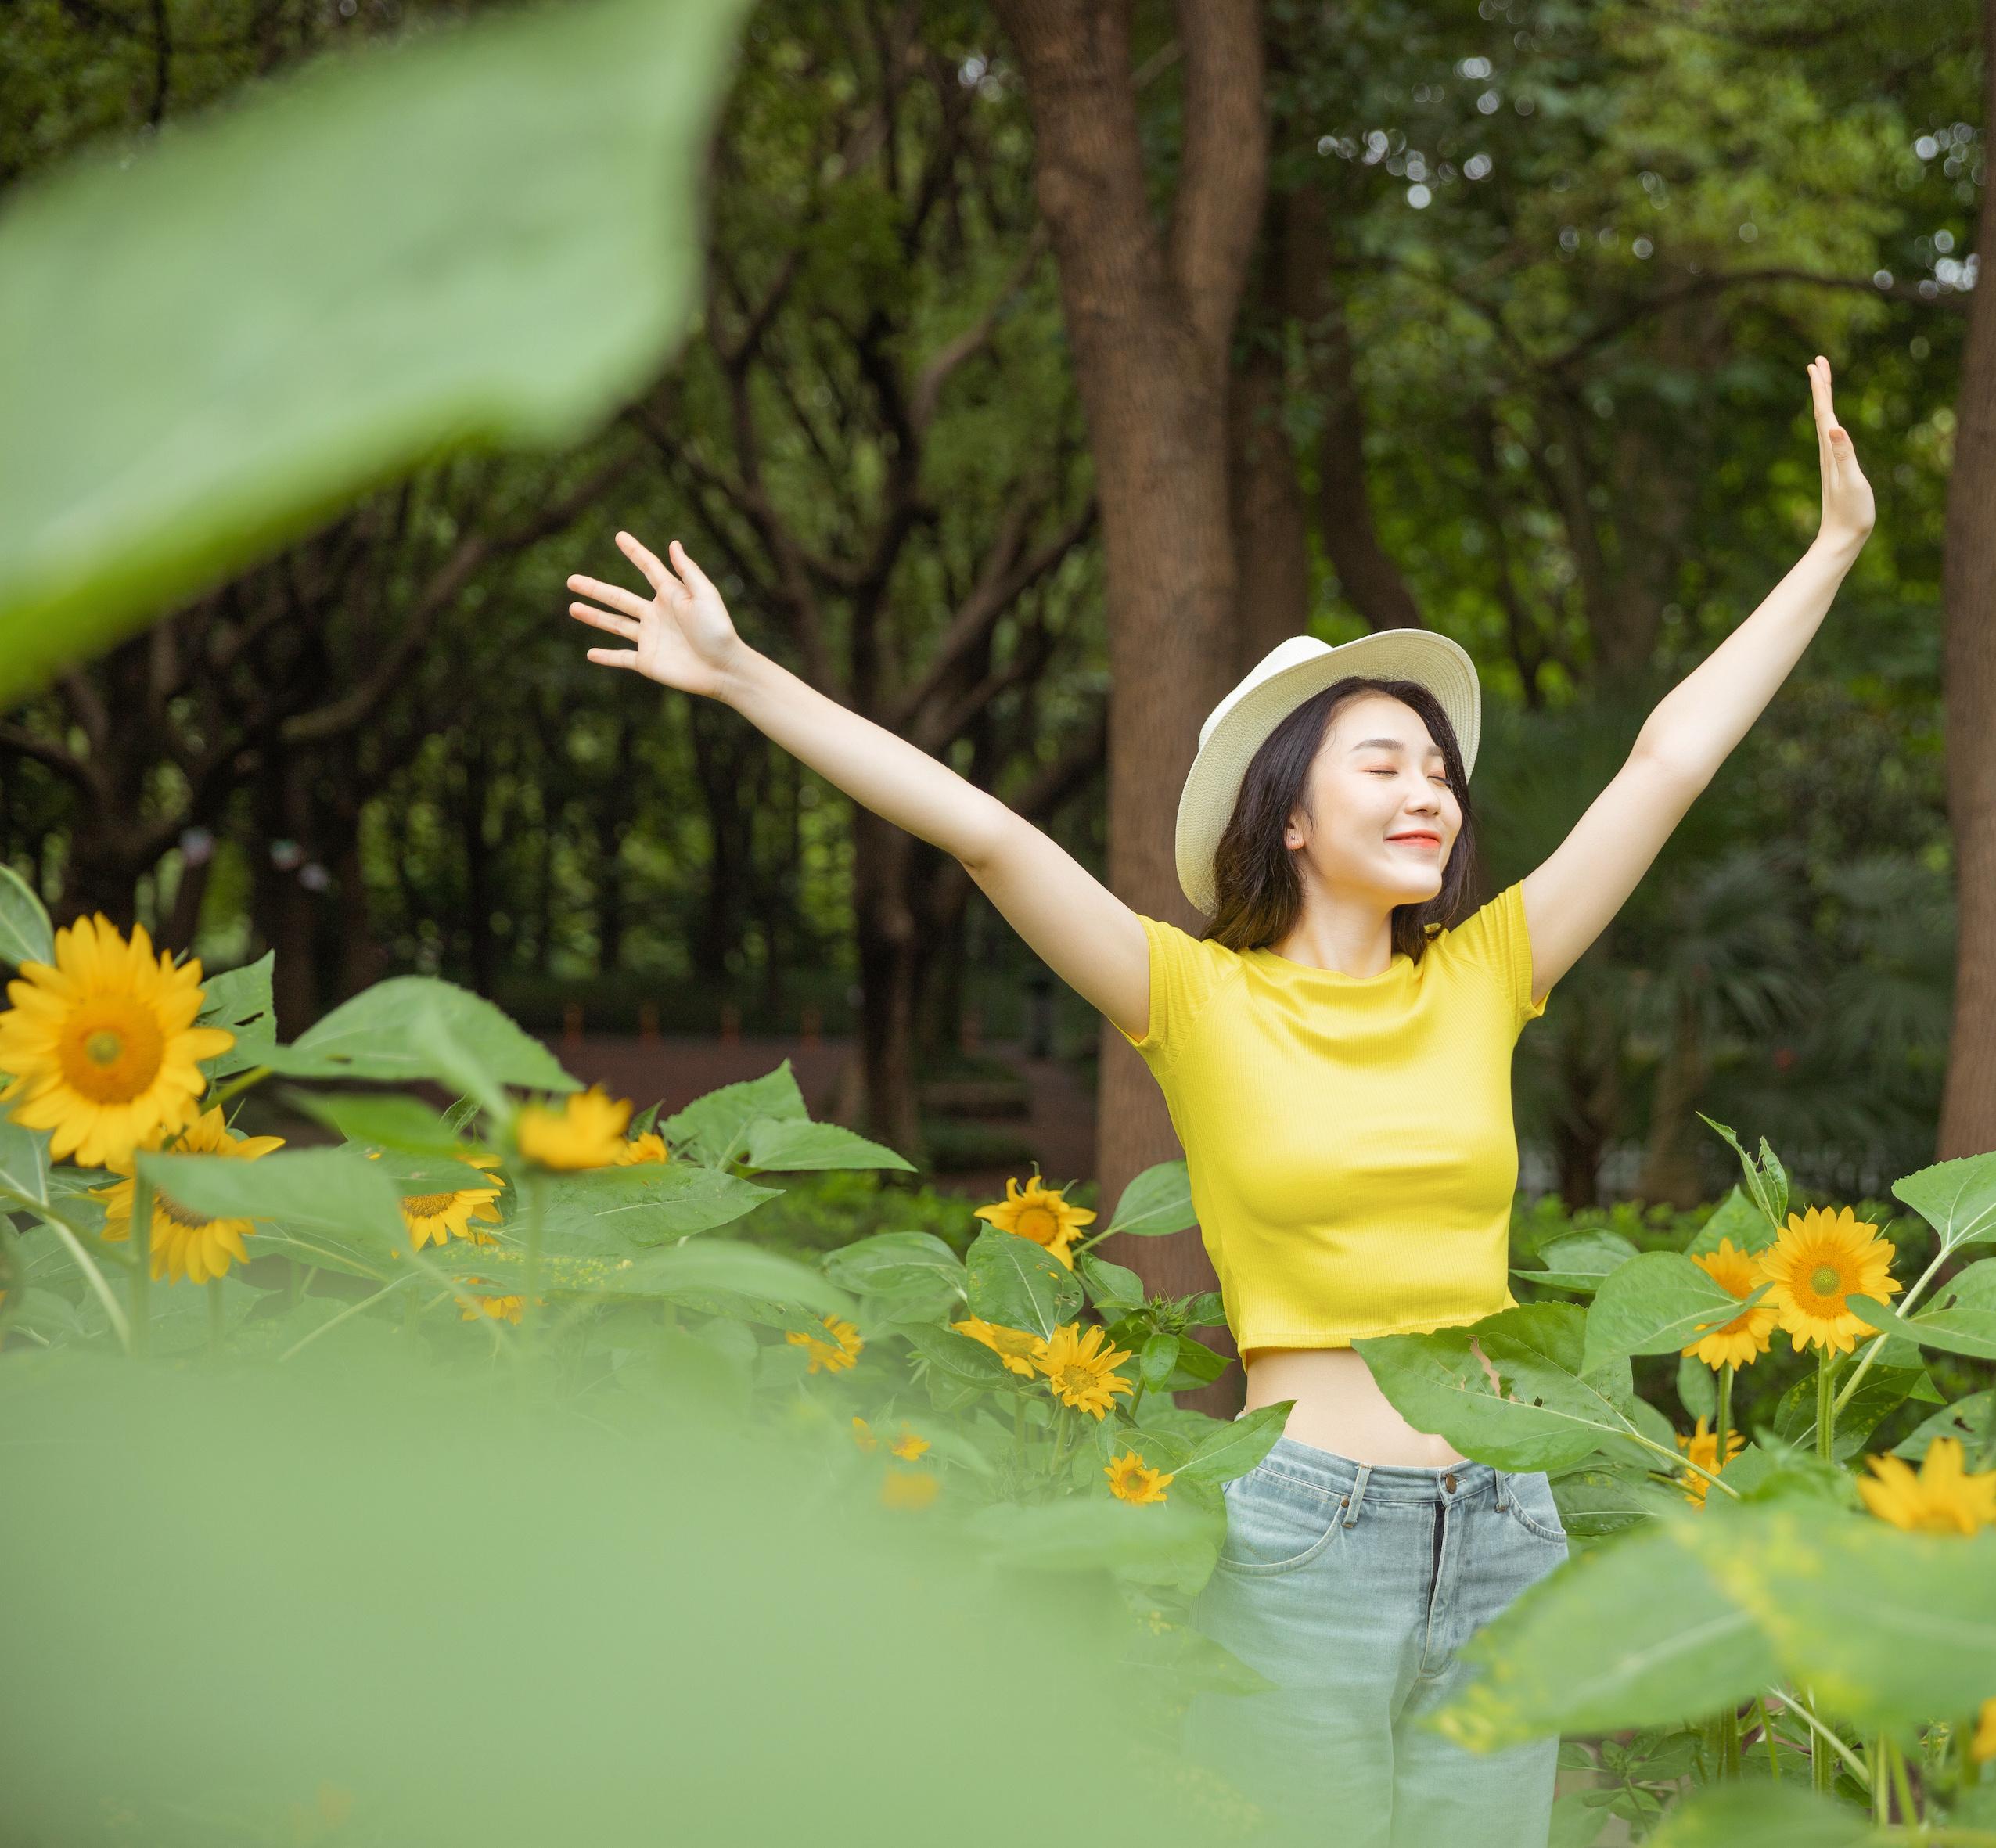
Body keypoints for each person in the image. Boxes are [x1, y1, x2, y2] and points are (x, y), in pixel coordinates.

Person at [566, 355, 1876, 1846]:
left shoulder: (1488, 970)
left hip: (1509, 1523)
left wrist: (1831, 548)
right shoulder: (1192, 996)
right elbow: (987, 834)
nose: (1431, 790)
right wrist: (745, 676)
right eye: (1384, 762)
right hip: (1305, 1534)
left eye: (1440, 771)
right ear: (1293, 812)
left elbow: (1669, 757)